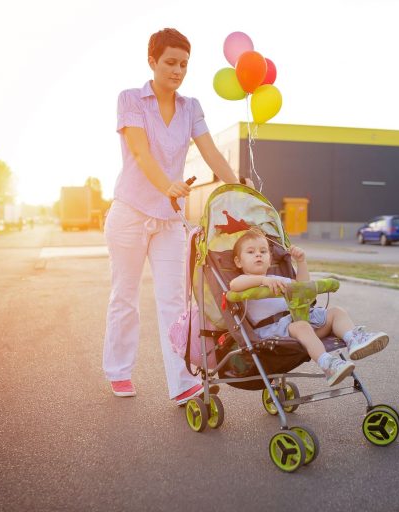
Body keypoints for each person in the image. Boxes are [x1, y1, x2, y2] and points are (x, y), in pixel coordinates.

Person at [104, 28, 244, 405]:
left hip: (169, 221)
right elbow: (139, 151)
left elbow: (212, 152)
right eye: (170, 62)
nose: (178, 70)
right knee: (125, 297)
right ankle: (118, 371)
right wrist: (166, 184)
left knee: (176, 303)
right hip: (130, 214)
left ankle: (182, 382)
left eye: (184, 64)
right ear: (152, 61)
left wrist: (240, 188)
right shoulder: (131, 100)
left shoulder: (191, 107)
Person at [229, 228, 390, 386]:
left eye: (263, 251)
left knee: (336, 312)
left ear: (270, 259)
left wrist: (301, 261)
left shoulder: (277, 278)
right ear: (238, 261)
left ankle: (354, 340)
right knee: (301, 326)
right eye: (251, 252)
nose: (258, 254)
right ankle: (328, 365)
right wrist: (262, 281)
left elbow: (302, 287)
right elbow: (233, 285)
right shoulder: (244, 280)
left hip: (298, 322)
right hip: (272, 331)